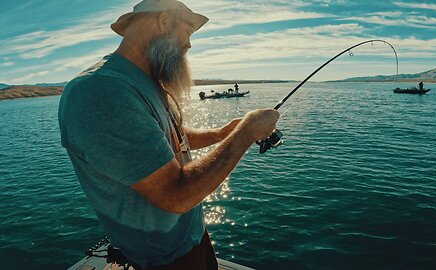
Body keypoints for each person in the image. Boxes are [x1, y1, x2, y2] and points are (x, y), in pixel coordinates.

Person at [57, 0, 279, 269]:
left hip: (190, 240)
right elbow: (175, 195)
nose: (189, 45)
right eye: (187, 32)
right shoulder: (101, 92)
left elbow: (168, 136)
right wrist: (246, 133)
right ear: (163, 21)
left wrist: (222, 133)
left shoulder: (147, 82)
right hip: (162, 260)